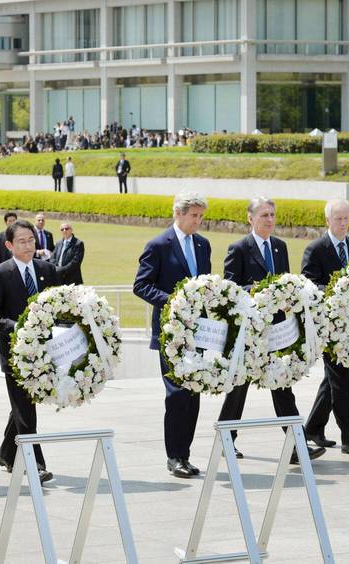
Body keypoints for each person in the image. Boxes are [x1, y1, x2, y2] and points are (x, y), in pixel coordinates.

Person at [218, 197, 325, 464]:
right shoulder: (239, 248)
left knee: (282, 386)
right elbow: (230, 290)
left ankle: (296, 446)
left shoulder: (280, 247)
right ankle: (226, 441)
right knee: (238, 388)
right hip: (250, 332)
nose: (269, 220)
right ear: (250, 219)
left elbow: (286, 283)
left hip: (277, 331)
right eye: (264, 215)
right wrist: (254, 291)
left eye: (272, 215)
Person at [133, 192, 211, 478]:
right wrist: (173, 302)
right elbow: (141, 286)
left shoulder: (203, 245)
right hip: (171, 332)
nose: (198, 221)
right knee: (177, 394)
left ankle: (185, 454)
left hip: (199, 331)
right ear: (178, 213)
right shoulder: (158, 245)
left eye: (201, 216)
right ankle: (174, 456)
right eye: (194, 216)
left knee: (193, 393)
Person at [0, 219, 58, 484]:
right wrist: (20, 327)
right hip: (14, 353)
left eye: (31, 240)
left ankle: (7, 453)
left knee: (22, 405)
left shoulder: (47, 270)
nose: (28, 246)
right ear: (9, 245)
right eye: (22, 241)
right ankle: (35, 463)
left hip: (42, 352)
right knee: (26, 408)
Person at [302, 200, 349, 456]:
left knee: (332, 380)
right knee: (342, 379)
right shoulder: (315, 249)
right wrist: (339, 292)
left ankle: (312, 429)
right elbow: (309, 286)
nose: (343, 223)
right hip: (328, 326)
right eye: (338, 219)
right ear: (328, 221)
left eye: (346, 218)